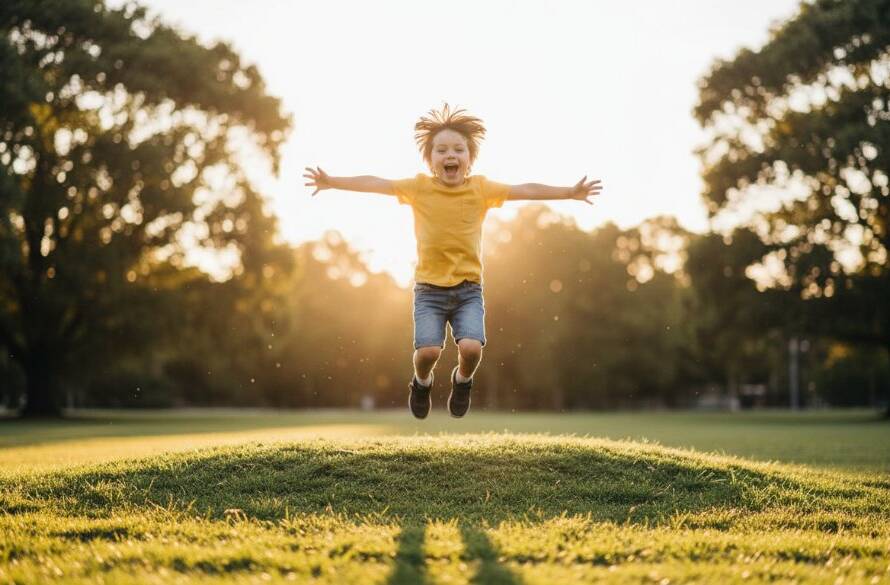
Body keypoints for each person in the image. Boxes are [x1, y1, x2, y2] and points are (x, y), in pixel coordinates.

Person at [304, 104, 602, 419]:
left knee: (472, 348)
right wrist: (333, 181)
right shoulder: (419, 188)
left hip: (468, 290)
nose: (450, 155)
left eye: (459, 150)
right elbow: (377, 183)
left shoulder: (481, 189)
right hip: (429, 291)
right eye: (441, 150)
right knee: (428, 352)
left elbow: (525, 189)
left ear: (469, 160)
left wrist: (569, 192)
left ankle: (463, 381)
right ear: (430, 160)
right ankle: (421, 383)